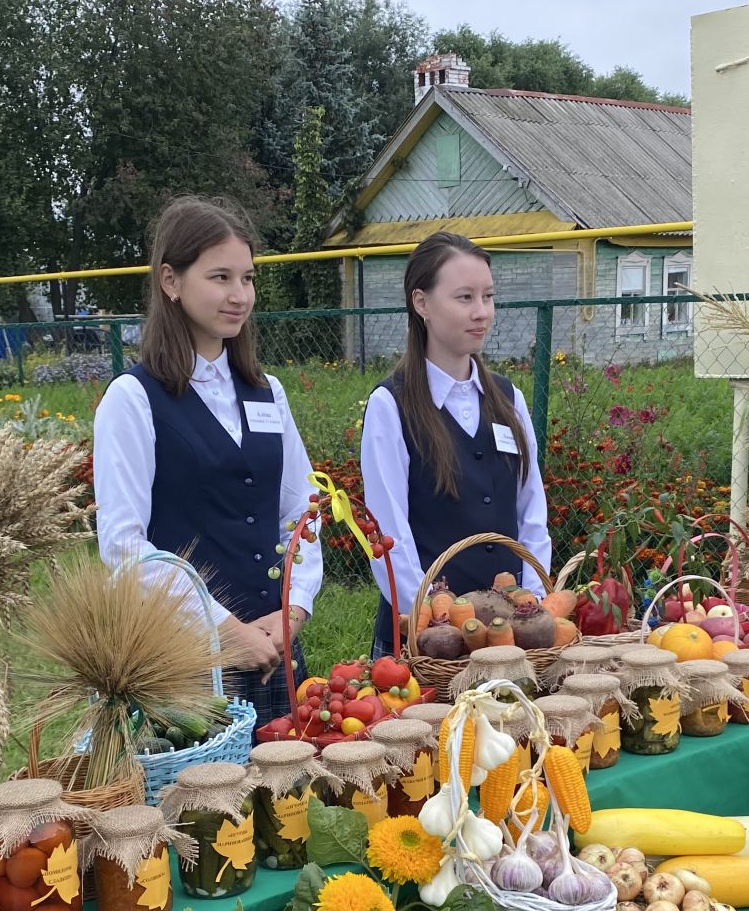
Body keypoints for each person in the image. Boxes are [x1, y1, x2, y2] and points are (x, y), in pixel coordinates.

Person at [93, 196, 319, 721]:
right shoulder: (132, 399)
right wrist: (224, 628)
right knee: (201, 801)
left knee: (290, 798)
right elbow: (125, 547)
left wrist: (294, 609)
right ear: (171, 281)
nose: (239, 295)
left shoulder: (269, 393)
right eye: (220, 277)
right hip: (185, 658)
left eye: (247, 278)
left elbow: (303, 509)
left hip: (275, 646)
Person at [360, 232, 551, 657]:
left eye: (488, 296)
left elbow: (531, 508)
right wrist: (432, 619)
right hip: (429, 641)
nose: (481, 312)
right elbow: (387, 533)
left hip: (507, 632)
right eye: (464, 297)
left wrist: (532, 600)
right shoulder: (391, 405)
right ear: (421, 303)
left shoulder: (508, 398)